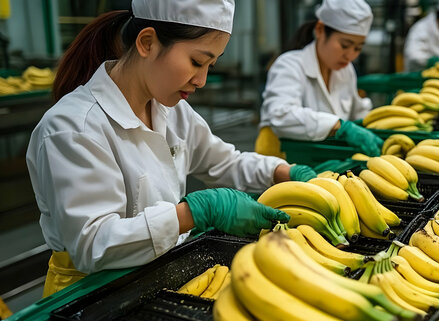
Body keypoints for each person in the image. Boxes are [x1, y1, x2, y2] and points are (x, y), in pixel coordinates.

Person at [26, 0, 317, 297]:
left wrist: (285, 172)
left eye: (210, 65)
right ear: (147, 42)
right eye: (196, 62)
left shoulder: (172, 110)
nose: (201, 80)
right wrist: (194, 212)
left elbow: (224, 162)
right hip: (86, 296)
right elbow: (93, 244)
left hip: (158, 273)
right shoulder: (73, 128)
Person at [255, 0, 383, 158]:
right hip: (284, 163)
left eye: (357, 48)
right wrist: (339, 126)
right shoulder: (289, 65)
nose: (350, 55)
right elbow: (281, 116)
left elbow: (358, 112)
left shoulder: (346, 71)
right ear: (320, 30)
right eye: (344, 45)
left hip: (326, 163)